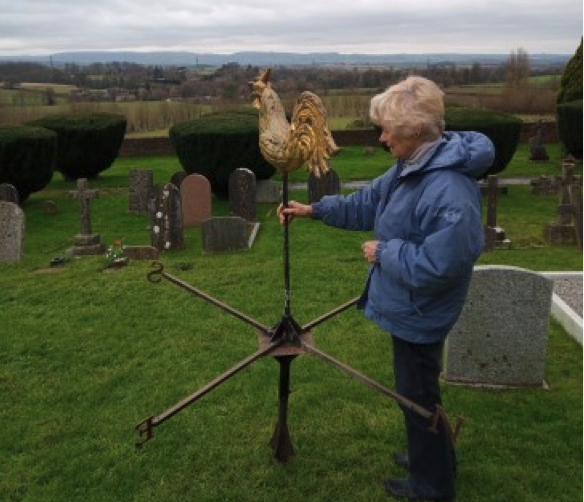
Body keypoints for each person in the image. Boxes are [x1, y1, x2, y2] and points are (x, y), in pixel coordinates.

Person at [278, 76, 495, 501]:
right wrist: (314, 210)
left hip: (422, 310)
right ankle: (431, 456)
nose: (381, 137)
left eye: (387, 129)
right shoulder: (412, 167)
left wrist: (385, 252)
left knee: (416, 397)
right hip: (410, 303)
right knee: (418, 392)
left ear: (414, 130)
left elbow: (445, 265)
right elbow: (368, 202)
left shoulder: (448, 189)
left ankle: (431, 486)